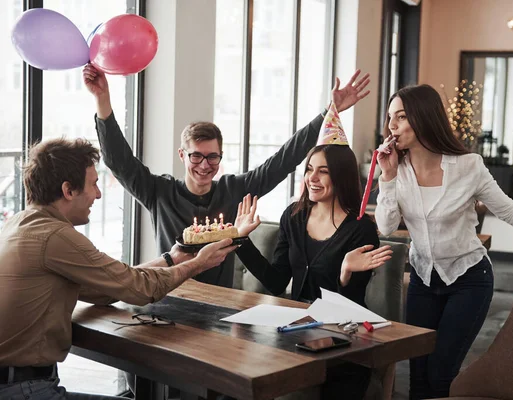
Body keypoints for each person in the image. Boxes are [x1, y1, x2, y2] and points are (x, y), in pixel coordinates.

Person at [374, 84, 513, 399]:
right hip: (423, 281)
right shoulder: (397, 172)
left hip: (469, 280)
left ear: (423, 118)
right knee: (418, 376)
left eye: (400, 117)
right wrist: (387, 177)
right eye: (390, 118)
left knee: (441, 374)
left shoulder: (468, 166)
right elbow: (385, 225)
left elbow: (510, 210)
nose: (392, 126)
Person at [83, 64, 371, 288]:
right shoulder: (159, 192)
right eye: (196, 155)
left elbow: (283, 161)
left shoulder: (235, 189)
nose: (205, 164)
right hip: (172, 294)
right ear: (183, 155)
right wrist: (102, 100)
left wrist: (328, 113)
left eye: (213, 156)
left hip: (221, 305)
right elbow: (118, 161)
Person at [0, 138, 238, 400]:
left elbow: (107, 288)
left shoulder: (20, 224)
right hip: (24, 390)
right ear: (68, 190)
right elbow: (139, 288)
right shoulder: (56, 237)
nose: (99, 194)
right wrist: (199, 263)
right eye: (94, 184)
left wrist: (172, 258)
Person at [234, 104, 393, 399]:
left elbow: (352, 307)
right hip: (296, 331)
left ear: (342, 176)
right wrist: (240, 240)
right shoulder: (293, 217)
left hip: (344, 336)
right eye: (309, 170)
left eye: (323, 172)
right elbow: (277, 281)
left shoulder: (361, 229)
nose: (312, 178)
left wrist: (345, 273)